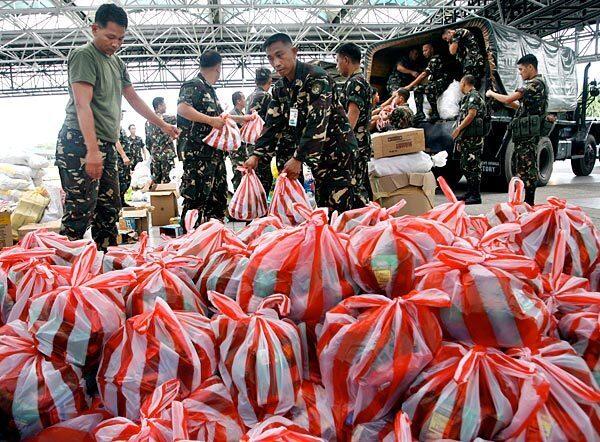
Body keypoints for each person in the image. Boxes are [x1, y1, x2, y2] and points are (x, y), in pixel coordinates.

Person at [56, 3, 178, 250]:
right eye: (110, 37)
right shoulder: (84, 56)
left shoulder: (117, 63)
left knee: (109, 209)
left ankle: (105, 262)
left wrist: (163, 125)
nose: (115, 44)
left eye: (121, 39)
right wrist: (91, 150)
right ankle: (63, 271)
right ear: (94, 29)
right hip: (80, 142)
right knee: (80, 210)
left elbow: (133, 98)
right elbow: (82, 105)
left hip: (106, 144)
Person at [244, 33, 361, 213]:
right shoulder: (280, 88)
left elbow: (317, 122)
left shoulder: (316, 78)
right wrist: (256, 155)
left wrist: (298, 158)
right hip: (319, 157)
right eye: (270, 58)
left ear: (294, 51)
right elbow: (272, 124)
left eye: (280, 55)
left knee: (346, 211)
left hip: (338, 153)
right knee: (327, 209)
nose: (276, 63)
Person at [177, 50, 250, 230]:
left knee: (217, 201)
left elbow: (221, 118)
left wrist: (243, 119)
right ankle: (189, 245)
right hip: (198, 157)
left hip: (214, 158)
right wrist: (210, 121)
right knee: (196, 202)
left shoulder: (209, 90)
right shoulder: (194, 85)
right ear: (218, 68)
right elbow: (182, 108)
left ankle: (213, 241)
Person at [486, 54, 548, 205]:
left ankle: (529, 203)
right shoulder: (536, 85)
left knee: (527, 169)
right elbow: (517, 105)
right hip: (525, 134)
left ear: (530, 67)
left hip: (528, 136)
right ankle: (527, 202)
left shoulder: (534, 84)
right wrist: (507, 102)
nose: (520, 73)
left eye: (521, 69)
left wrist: (491, 93)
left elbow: (508, 99)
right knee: (523, 168)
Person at [336, 42, 373, 202]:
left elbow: (353, 115)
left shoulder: (355, 83)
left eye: (337, 61)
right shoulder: (361, 81)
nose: (337, 67)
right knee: (360, 184)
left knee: (356, 189)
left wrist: (341, 142)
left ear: (345, 59)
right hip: (360, 142)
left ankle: (365, 221)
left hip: (355, 144)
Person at [452, 75, 486, 204]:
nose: (460, 85)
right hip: (467, 138)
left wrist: (458, 129)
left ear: (465, 83)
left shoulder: (474, 96)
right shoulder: (467, 98)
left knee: (473, 166)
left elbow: (471, 114)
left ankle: (475, 195)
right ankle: (470, 193)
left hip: (473, 138)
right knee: (466, 165)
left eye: (460, 82)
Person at [405, 43, 452, 122]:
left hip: (443, 81)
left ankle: (435, 113)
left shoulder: (435, 58)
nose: (424, 53)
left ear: (432, 50)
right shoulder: (430, 60)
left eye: (426, 50)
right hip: (435, 82)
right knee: (417, 89)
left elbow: (424, 74)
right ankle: (420, 113)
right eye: (423, 51)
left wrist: (410, 86)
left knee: (429, 88)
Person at [246, 68, 274, 193]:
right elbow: (271, 122)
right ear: (270, 80)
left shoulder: (250, 97)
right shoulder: (266, 96)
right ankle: (261, 212)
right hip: (261, 147)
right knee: (263, 183)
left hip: (251, 145)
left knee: (254, 182)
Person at [146, 97, 177, 184]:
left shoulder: (148, 121)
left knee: (156, 181)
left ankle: (157, 198)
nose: (165, 107)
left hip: (155, 156)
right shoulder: (166, 119)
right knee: (168, 181)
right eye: (164, 105)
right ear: (159, 106)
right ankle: (166, 198)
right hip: (166, 155)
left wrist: (153, 152)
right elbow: (179, 117)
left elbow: (147, 142)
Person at [229, 91, 247, 189]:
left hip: (242, 150)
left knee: (243, 174)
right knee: (238, 175)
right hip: (236, 151)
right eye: (243, 98)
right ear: (238, 101)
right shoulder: (233, 114)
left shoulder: (241, 113)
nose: (245, 100)